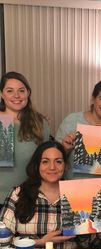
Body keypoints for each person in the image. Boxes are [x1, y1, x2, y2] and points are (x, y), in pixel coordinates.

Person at [0, 141, 75, 247]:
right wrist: (38, 243)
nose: (52, 167)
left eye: (58, 161)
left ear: (66, 166)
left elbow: (89, 242)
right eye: (45, 162)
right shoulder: (18, 194)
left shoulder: (76, 194)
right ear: (37, 165)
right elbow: (2, 240)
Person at [56, 79, 101, 179]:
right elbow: (54, 159)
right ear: (93, 99)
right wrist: (65, 149)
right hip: (72, 189)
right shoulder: (72, 120)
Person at [0, 71, 50, 206]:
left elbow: (46, 160)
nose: (16, 95)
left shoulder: (39, 123)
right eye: (10, 91)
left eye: (21, 90)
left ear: (28, 93)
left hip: (27, 197)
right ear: (1, 94)